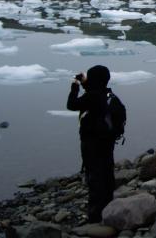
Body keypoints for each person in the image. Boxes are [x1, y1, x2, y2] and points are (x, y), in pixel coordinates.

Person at [67, 65, 116, 223]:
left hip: (92, 142)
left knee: (94, 176)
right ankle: (109, 206)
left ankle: (96, 217)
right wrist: (85, 83)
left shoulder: (92, 96)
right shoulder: (108, 94)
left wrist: (75, 86)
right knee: (107, 172)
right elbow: (95, 93)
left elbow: (72, 105)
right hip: (107, 141)